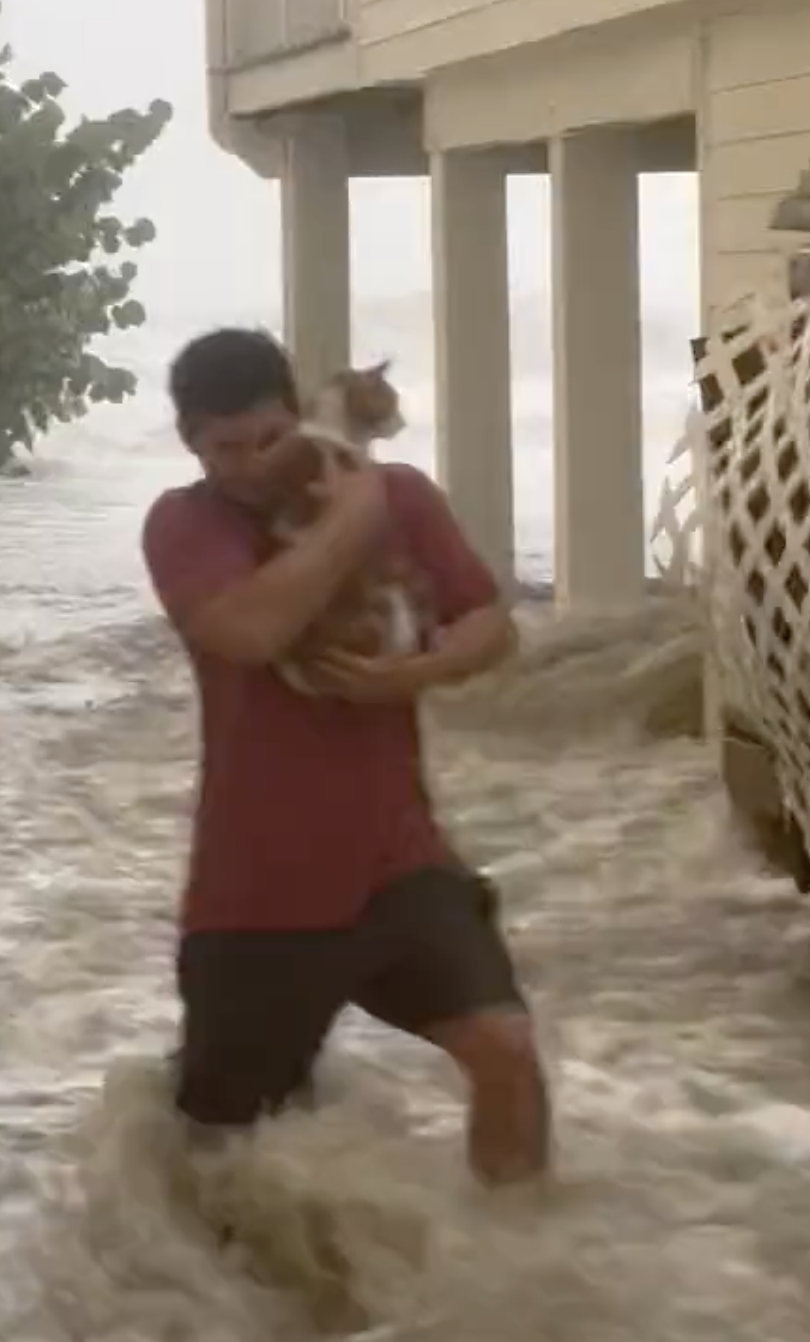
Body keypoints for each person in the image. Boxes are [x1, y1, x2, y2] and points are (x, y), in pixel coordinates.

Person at [142, 327, 551, 1186]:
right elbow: (250, 630)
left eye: (270, 437)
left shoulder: (403, 493)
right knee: (222, 1157)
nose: (253, 466)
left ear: (298, 416)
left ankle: (521, 1285)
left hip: (399, 858)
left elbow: (490, 626)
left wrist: (414, 672)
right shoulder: (185, 524)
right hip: (258, 889)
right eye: (226, 448)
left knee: (506, 1050)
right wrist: (353, 518)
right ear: (189, 442)